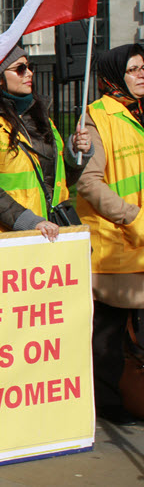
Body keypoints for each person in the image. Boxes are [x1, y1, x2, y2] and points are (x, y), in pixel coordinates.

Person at [0, 41, 91, 240]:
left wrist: (75, 155)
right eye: (20, 69)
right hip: (1, 240)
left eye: (30, 67)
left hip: (45, 234)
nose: (29, 73)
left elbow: (54, 183)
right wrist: (30, 221)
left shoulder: (40, 119)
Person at [74, 44, 144, 423]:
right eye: (133, 69)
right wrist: (132, 216)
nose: (142, 75)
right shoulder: (97, 117)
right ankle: (111, 405)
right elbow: (89, 183)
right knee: (109, 333)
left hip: (139, 243)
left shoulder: (140, 113)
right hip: (116, 242)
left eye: (143, 67)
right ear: (116, 75)